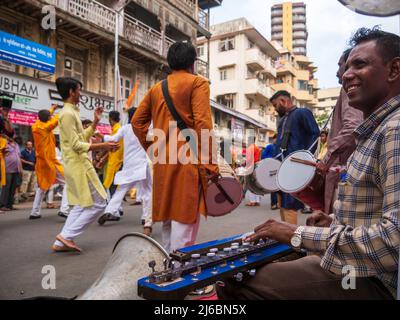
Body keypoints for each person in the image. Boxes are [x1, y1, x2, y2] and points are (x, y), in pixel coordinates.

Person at [217, 27, 400, 300]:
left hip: (367, 277)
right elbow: (373, 213)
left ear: (394, 70)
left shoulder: (394, 130)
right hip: (353, 263)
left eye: (359, 64)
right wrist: (332, 222)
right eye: (346, 66)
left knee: (237, 281)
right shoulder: (374, 132)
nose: (346, 74)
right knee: (251, 261)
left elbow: (394, 241)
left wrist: (298, 234)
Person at [132, 41, 219, 253]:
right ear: (193, 62)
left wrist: (154, 150)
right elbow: (203, 124)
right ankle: (179, 276)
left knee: (169, 222)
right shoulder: (198, 83)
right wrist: (210, 163)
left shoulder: (156, 89)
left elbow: (137, 123)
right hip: (188, 160)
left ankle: (168, 271)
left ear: (170, 63)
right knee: (185, 223)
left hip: (163, 160)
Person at [52, 77, 119, 252]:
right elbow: (76, 145)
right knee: (101, 203)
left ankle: (60, 242)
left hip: (76, 164)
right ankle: (66, 236)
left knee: (81, 205)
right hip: (79, 165)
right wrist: (104, 145)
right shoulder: (67, 114)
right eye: (79, 90)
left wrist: (95, 121)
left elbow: (81, 137)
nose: (81, 93)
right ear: (71, 92)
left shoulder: (71, 112)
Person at [316, 49, 363, 214]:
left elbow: (353, 128)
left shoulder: (348, 90)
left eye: (340, 66)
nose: (339, 72)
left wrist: (326, 159)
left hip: (344, 174)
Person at [96, 107, 153, 235]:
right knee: (147, 192)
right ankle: (145, 218)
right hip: (142, 165)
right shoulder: (145, 128)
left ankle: (109, 210)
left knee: (120, 190)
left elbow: (112, 139)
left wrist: (99, 134)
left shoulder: (125, 129)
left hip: (128, 166)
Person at [270, 90, 320, 224]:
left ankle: (291, 240)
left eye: (275, 105)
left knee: (290, 205)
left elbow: (315, 135)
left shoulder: (302, 113)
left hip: (295, 166)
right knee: (283, 203)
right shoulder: (283, 120)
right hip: (282, 166)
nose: (275, 109)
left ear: (283, 101)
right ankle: (285, 235)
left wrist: (305, 159)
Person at [30, 105, 70, 219]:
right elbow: (56, 120)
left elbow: (47, 116)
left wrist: (53, 107)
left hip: (41, 162)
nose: (51, 116)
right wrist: (66, 108)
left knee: (42, 187)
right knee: (67, 183)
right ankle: (64, 210)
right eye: (49, 116)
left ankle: (35, 212)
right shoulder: (46, 127)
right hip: (50, 161)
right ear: (48, 118)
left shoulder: (36, 125)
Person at [102, 111, 124, 201]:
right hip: (117, 161)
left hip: (116, 162)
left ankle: (114, 210)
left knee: (112, 187)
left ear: (110, 119)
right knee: (115, 186)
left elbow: (111, 142)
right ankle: (117, 208)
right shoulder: (119, 128)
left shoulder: (117, 130)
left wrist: (100, 135)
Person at [0, 136, 22, 211]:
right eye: (9, 135)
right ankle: (2, 205)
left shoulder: (16, 145)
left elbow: (19, 157)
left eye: (12, 135)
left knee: (13, 188)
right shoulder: (4, 144)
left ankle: (9, 205)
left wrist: (21, 170)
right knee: (6, 187)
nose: (11, 137)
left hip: (16, 169)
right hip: (7, 169)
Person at [261, 134, 280, 210]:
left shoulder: (281, 147)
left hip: (279, 168)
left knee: (279, 187)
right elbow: (263, 155)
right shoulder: (269, 146)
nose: (277, 140)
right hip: (271, 168)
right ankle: (273, 204)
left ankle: (279, 203)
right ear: (274, 139)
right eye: (276, 138)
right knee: (273, 186)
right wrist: (271, 159)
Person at [245, 140, 261, 206]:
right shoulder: (257, 148)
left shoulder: (250, 148)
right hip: (257, 165)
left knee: (250, 184)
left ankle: (252, 201)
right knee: (256, 184)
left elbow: (249, 159)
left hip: (251, 166)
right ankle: (257, 201)